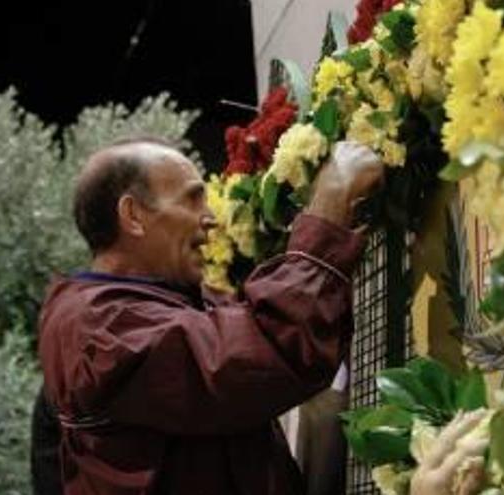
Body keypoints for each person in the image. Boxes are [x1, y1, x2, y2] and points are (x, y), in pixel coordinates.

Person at [37, 137, 384, 495]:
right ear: (133, 216)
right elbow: (264, 351)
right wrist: (327, 211)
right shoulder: (98, 328)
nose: (212, 219)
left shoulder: (152, 305)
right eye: (192, 199)